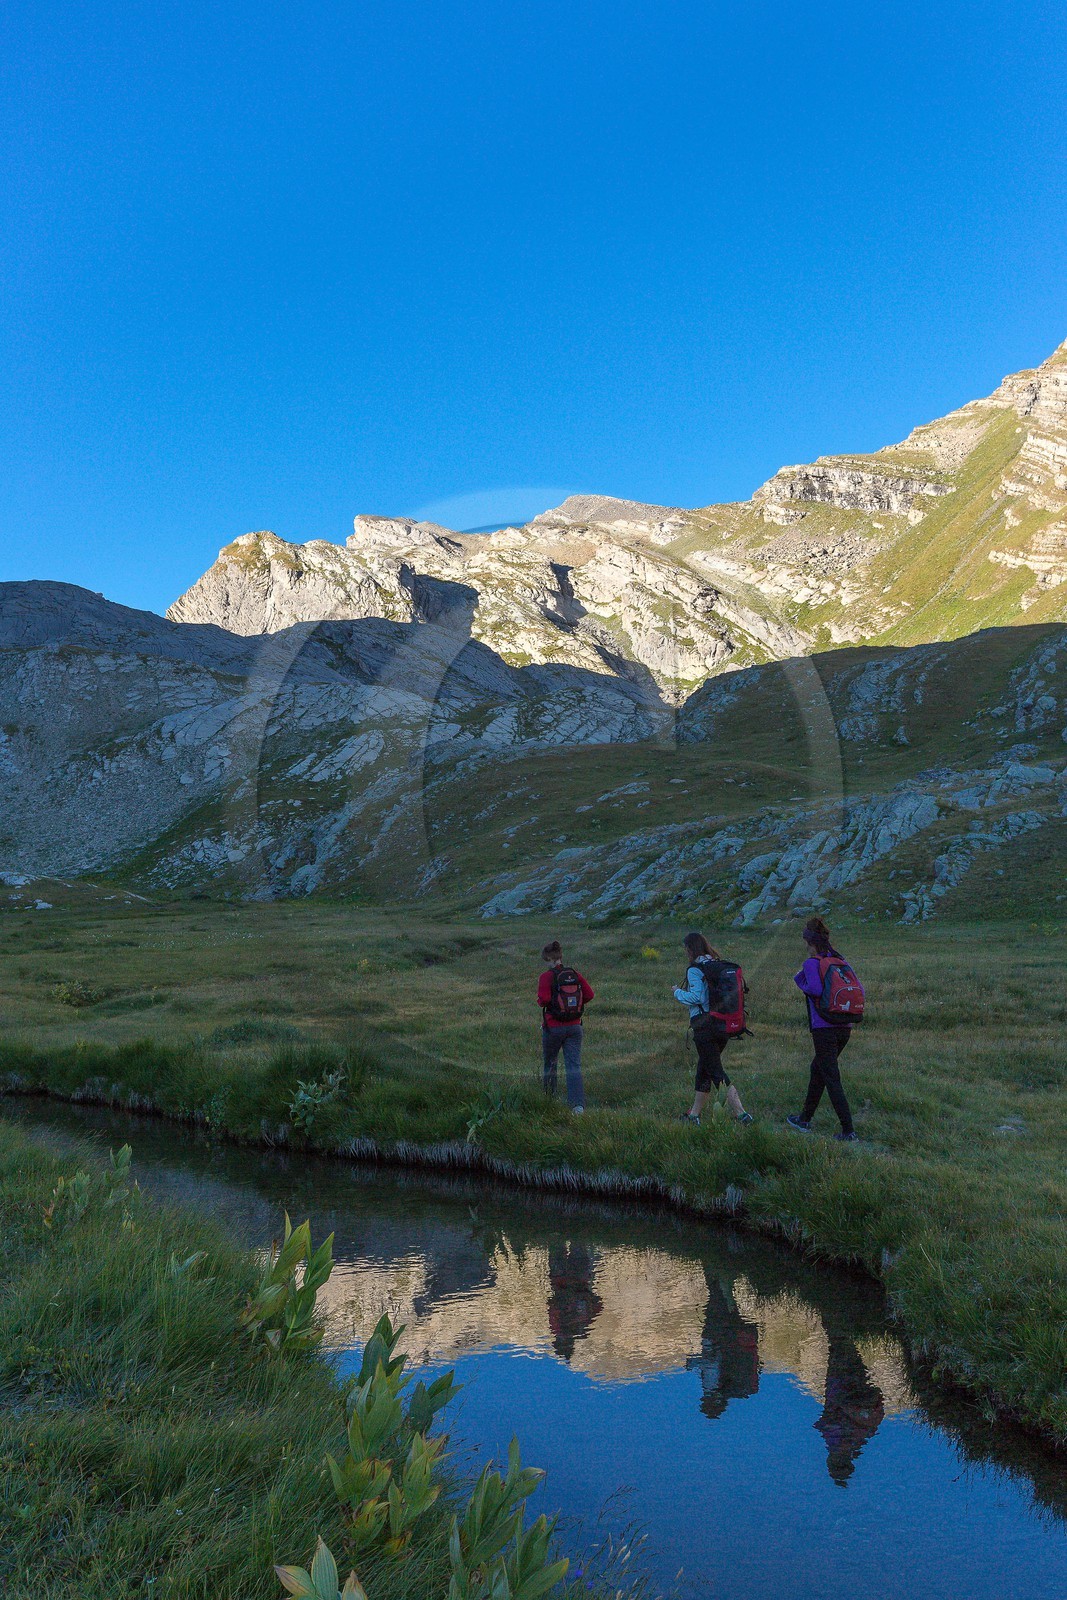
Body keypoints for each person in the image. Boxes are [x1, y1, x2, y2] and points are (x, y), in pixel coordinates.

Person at [787, 916, 858, 1142]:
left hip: (823, 1027)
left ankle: (849, 1131)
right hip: (844, 1025)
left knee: (830, 1076)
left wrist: (800, 980)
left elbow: (815, 990)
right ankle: (804, 1118)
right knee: (818, 1069)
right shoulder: (840, 960)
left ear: (810, 942)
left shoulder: (812, 963)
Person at [673, 932, 752, 1126]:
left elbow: (697, 998)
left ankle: (742, 1115)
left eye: (686, 949)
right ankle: (694, 1116)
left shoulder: (695, 969)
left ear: (691, 949)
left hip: (704, 1027)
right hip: (721, 1025)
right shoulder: (715, 965)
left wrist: (677, 992)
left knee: (716, 1072)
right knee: (704, 1069)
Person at [537, 940, 593, 1113]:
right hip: (575, 1027)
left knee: (550, 1063)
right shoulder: (575, 974)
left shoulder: (546, 977)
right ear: (561, 957)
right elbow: (590, 994)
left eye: (546, 961)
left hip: (553, 1027)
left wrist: (542, 1001)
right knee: (573, 1066)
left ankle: (549, 1098)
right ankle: (577, 1106)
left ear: (550, 959)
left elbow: (544, 1001)